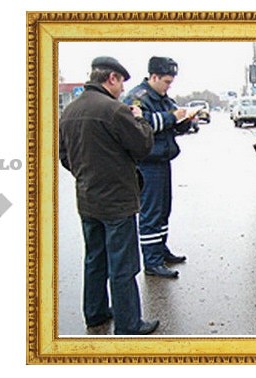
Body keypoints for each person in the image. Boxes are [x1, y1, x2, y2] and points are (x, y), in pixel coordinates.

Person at [59, 56, 159, 335]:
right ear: (112, 78)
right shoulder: (115, 111)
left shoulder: (69, 112)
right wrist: (142, 121)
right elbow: (142, 147)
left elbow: (64, 155)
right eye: (121, 83)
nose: (122, 90)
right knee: (123, 265)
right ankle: (129, 323)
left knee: (94, 258)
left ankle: (95, 313)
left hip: (87, 198)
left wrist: (85, 175)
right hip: (117, 201)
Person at [124, 56, 193, 278]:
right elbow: (139, 125)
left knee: (164, 210)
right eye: (165, 81)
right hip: (147, 164)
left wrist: (185, 121)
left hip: (162, 161)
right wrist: (171, 118)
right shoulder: (137, 98)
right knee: (151, 212)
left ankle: (161, 250)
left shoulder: (162, 98)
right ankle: (152, 262)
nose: (168, 86)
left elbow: (171, 124)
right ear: (153, 77)